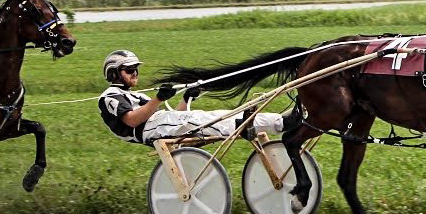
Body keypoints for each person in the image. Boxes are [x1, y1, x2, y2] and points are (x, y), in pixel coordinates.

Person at [98, 49, 293, 145]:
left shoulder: (135, 95)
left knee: (217, 114)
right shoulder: (110, 96)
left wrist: (187, 98)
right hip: (147, 130)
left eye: (136, 70)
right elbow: (131, 120)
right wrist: (157, 99)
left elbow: (175, 116)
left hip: (160, 124)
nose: (135, 74)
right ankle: (279, 124)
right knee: (208, 120)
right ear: (114, 74)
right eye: (130, 70)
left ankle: (280, 121)